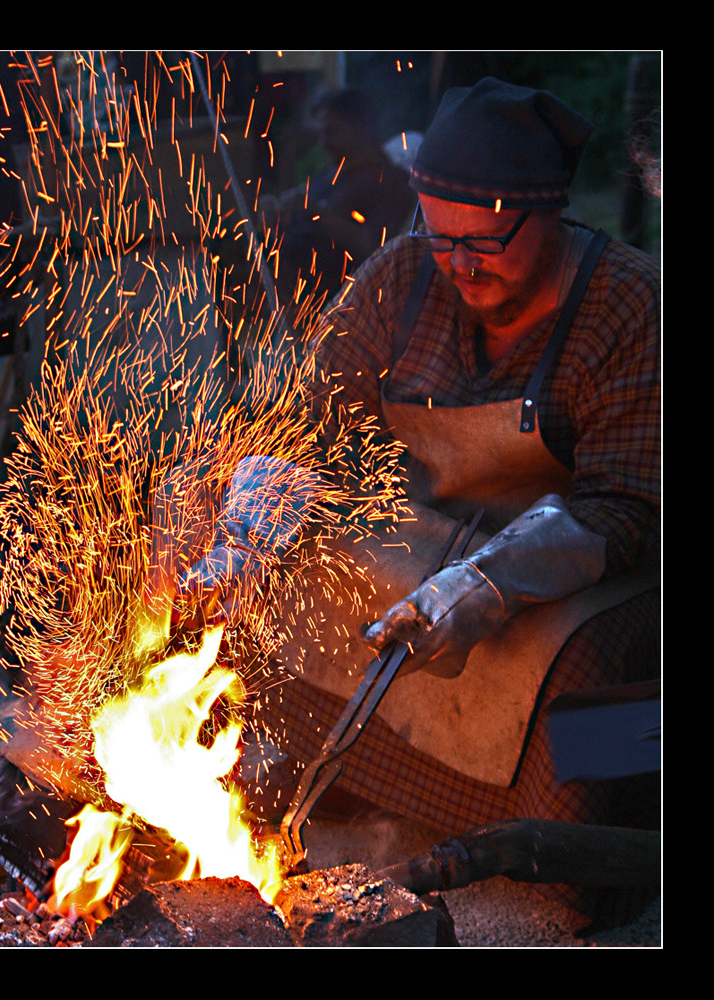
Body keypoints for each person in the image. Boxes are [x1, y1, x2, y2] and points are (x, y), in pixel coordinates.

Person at [178, 76, 659, 921]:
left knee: (572, 668)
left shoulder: (627, 301)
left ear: (546, 212)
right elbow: (302, 425)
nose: (459, 266)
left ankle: (569, 863)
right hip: (433, 526)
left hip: (591, 556)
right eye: (441, 239)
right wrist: (245, 530)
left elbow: (626, 507)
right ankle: (299, 776)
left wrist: (488, 585)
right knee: (256, 541)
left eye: (485, 242)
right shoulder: (402, 276)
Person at [259, 88, 415, 311]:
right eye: (321, 133)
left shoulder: (386, 181)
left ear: (360, 129)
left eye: (331, 132)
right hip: (289, 291)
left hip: (340, 304)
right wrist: (275, 216)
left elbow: (374, 246)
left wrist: (315, 211)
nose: (323, 143)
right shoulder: (329, 175)